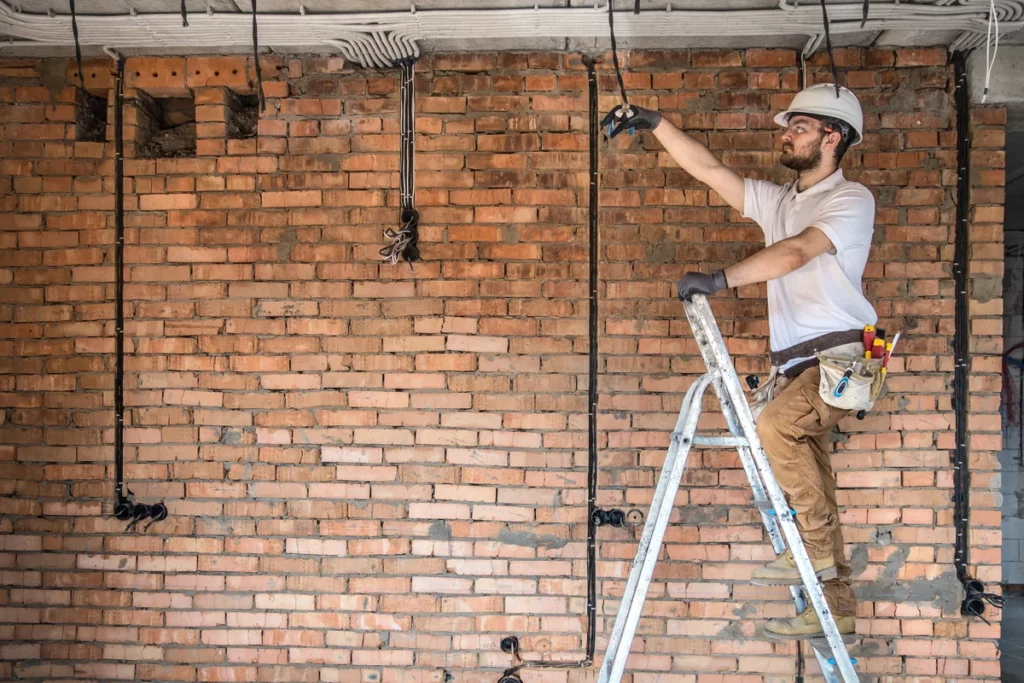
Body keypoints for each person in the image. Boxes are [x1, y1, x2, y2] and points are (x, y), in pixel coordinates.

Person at [603, 83, 877, 639]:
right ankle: (837, 611)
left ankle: (815, 554)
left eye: (799, 126)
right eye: (788, 125)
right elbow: (709, 170)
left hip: (848, 353)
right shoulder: (781, 201)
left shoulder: (850, 200)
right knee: (813, 475)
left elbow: (797, 252)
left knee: (774, 425)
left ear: (834, 135)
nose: (786, 133)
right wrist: (656, 122)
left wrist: (722, 278)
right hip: (799, 364)